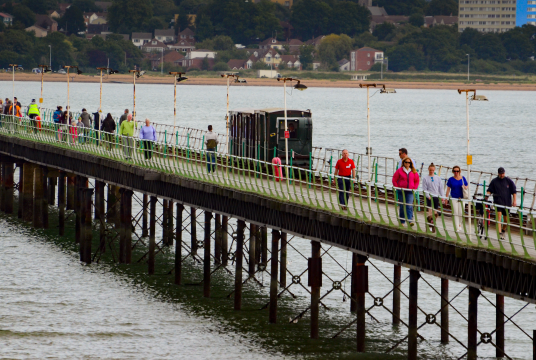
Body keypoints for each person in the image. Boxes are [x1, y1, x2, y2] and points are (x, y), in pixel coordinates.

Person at [486, 167, 517, 240]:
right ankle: (499, 233)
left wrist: (514, 201)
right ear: (498, 174)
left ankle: (503, 230)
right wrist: (486, 197)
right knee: (499, 217)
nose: (502, 175)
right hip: (498, 202)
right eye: (500, 174)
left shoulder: (508, 181)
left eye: (503, 173)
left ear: (504, 173)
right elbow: (489, 190)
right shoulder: (494, 181)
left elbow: (514, 191)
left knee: (506, 220)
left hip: (507, 202)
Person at [392, 157, 420, 226]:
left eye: (409, 162)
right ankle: (402, 221)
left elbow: (417, 180)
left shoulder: (414, 171)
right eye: (406, 162)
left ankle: (410, 221)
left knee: (409, 205)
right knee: (402, 206)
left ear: (411, 163)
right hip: (402, 191)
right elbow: (394, 179)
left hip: (410, 191)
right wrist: (397, 187)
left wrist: (414, 188)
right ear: (403, 163)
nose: (407, 163)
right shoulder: (399, 171)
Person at [422, 163, 445, 232]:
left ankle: (433, 226)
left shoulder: (438, 178)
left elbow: (441, 188)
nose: (431, 171)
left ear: (434, 170)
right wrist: (427, 196)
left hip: (436, 196)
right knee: (430, 212)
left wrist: (442, 197)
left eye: (432, 170)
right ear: (428, 169)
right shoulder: (425, 178)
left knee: (435, 213)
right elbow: (424, 189)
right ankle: (429, 227)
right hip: (429, 196)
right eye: (430, 170)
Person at [445, 165, 468, 232]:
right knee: (455, 212)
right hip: (454, 198)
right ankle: (457, 227)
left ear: (459, 171)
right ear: (453, 171)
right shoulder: (451, 179)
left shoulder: (463, 178)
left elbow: (466, 185)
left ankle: (460, 224)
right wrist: (446, 198)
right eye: (454, 171)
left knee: (461, 213)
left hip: (462, 198)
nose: (456, 172)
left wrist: (465, 187)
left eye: (457, 171)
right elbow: (448, 189)